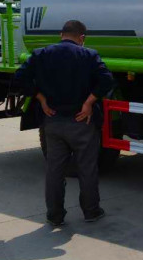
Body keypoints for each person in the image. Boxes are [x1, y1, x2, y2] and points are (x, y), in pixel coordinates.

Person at [14, 20, 114, 226]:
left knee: (54, 171)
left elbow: (20, 78)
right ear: (82, 38)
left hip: (53, 122)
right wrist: (88, 103)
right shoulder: (89, 55)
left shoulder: (41, 54)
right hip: (82, 122)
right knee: (87, 169)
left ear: (61, 34)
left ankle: (55, 215)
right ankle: (91, 211)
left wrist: (41, 99)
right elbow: (107, 80)